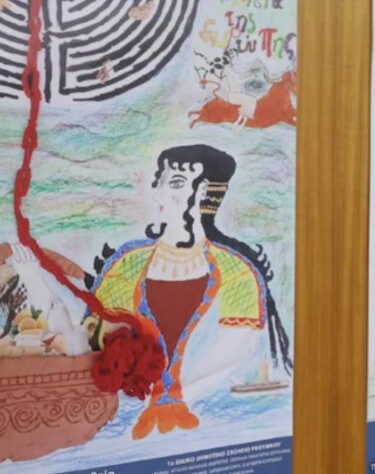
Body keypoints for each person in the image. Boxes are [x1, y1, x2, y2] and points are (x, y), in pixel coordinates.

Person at [89, 144, 293, 439]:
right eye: (161, 181)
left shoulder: (237, 272)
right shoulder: (126, 265)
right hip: (119, 428)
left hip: (213, 427)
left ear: (204, 192)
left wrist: (176, 395)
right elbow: (94, 337)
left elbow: (236, 348)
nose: (159, 194)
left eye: (174, 182)